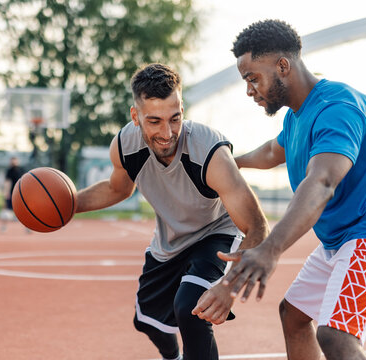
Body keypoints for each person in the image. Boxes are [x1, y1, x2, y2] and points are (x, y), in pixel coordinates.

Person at [193, 19, 366, 360]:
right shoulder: (296, 116)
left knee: (337, 337)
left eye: (253, 78)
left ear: (283, 66)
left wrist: (270, 249)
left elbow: (322, 182)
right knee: (293, 316)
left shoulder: (338, 108)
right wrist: (229, 163)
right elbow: (271, 152)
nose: (250, 89)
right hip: (341, 238)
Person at [75, 63, 269, 360]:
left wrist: (228, 288)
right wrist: (71, 204)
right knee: (147, 322)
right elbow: (118, 189)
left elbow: (256, 226)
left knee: (191, 308)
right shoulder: (125, 146)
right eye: (154, 121)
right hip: (169, 242)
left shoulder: (209, 152)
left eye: (175, 118)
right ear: (135, 116)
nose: (167, 133)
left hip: (215, 232)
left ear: (182, 110)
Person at [0, 156, 25, 232]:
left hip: (21, 194)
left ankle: (28, 228)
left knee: (25, 212)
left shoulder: (22, 170)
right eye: (12, 161)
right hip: (12, 194)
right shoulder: (9, 171)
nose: (13, 162)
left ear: (18, 161)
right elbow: (7, 182)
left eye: (15, 161)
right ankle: (4, 227)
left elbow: (25, 181)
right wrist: (6, 193)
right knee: (7, 211)